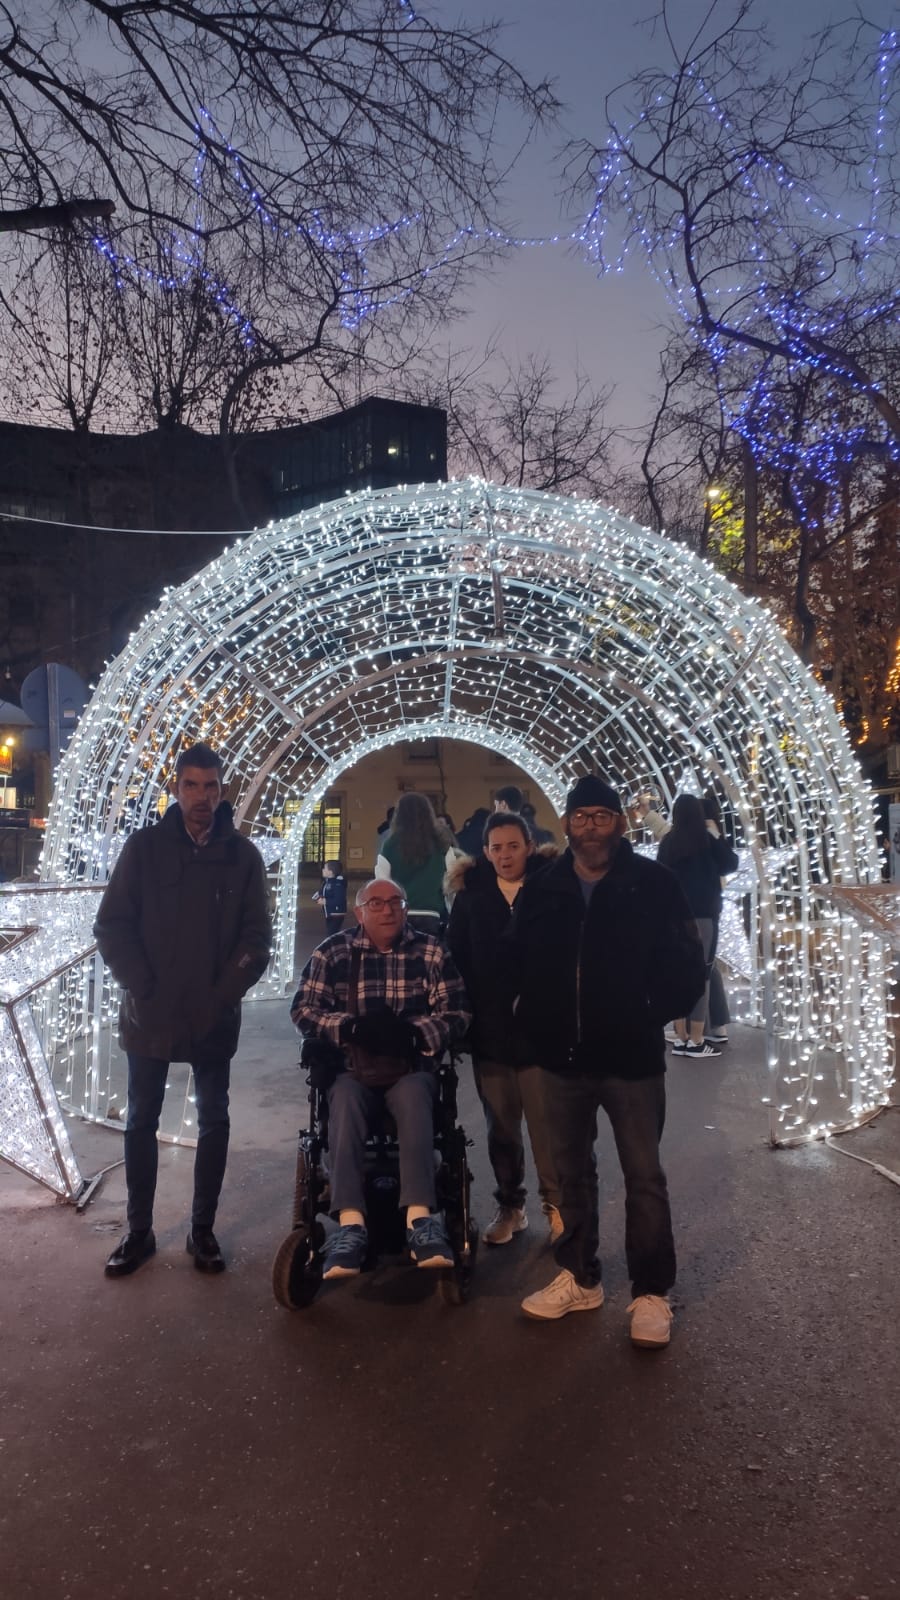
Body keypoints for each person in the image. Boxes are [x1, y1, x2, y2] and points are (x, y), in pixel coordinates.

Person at [507, 774, 705, 1347]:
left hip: (631, 1056)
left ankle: (650, 1291)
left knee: (644, 1176)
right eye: (581, 816)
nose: (591, 826)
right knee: (573, 1174)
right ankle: (580, 1276)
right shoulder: (544, 886)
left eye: (602, 815)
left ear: (619, 823)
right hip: (563, 1057)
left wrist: (649, 1010)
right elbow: (515, 958)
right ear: (566, 824)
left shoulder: (654, 883)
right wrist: (531, 1015)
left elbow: (688, 961)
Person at [94, 742, 272, 1278]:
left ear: (222, 792)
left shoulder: (242, 857)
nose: (202, 797)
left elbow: (255, 940)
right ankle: (139, 1231)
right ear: (176, 789)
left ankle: (202, 1231)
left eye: (211, 787)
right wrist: (142, 986)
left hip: (213, 1016)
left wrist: (221, 998)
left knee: (213, 1119)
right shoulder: (145, 849)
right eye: (192, 785)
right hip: (150, 1013)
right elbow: (112, 925)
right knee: (141, 1120)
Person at [290, 878, 471, 1279]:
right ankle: (351, 1223)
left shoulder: (431, 951)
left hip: (409, 1067)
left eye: (395, 901)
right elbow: (303, 1009)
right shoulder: (332, 952)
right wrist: (350, 1029)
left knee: (413, 1097)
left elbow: (457, 1013)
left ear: (405, 909)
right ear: (360, 912)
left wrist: (412, 1034)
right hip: (352, 1068)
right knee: (345, 1100)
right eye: (376, 903)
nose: (387, 909)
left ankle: (420, 1219)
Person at [446, 810, 561, 1245]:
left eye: (513, 846)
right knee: (502, 1127)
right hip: (491, 1032)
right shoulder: (472, 896)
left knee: (546, 1125)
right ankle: (511, 1205)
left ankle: (556, 1205)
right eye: (497, 848)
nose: (505, 855)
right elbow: (454, 957)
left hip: (541, 1031)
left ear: (529, 847)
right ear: (486, 852)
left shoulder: (551, 888)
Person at [657, 795, 739, 1058]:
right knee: (701, 976)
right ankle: (696, 1039)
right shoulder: (706, 841)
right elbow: (730, 864)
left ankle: (680, 1038)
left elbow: (659, 874)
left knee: (677, 974)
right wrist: (716, 835)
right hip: (704, 916)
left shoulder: (669, 842)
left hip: (672, 917)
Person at [375, 791, 458, 936]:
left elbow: (382, 884)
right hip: (432, 915)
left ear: (399, 815)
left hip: (399, 915)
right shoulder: (443, 845)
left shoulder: (389, 845)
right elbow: (452, 887)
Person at [311, 859, 347, 935]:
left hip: (336, 913)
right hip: (329, 913)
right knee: (332, 935)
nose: (322, 870)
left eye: (324, 868)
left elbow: (339, 900)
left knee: (331, 935)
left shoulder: (337, 883)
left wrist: (325, 901)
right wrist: (317, 898)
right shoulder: (327, 882)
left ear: (330, 872)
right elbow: (321, 892)